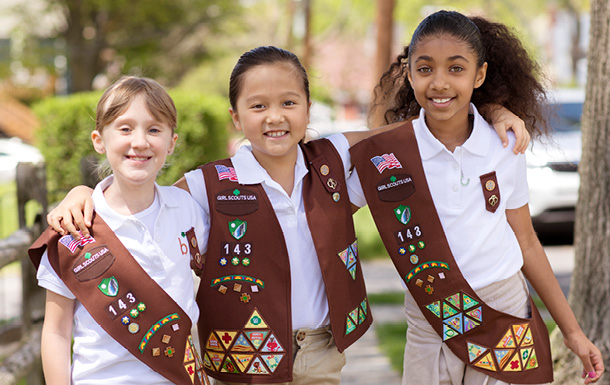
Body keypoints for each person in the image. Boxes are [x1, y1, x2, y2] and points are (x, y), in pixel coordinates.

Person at [46, 46, 529, 385]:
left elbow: (416, 130)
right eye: (257, 106)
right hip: (240, 358)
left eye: (288, 103)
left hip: (322, 352)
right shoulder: (204, 187)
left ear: (307, 109)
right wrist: (84, 190)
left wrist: (489, 111)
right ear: (236, 116)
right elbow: (138, 194)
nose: (274, 116)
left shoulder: (334, 160)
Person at [347, 10, 604, 385]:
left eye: (456, 68)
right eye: (425, 69)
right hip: (430, 319)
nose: (439, 82)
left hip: (503, 312)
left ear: (478, 75)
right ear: (409, 74)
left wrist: (573, 332)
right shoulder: (390, 155)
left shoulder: (504, 144)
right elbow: (327, 204)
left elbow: (527, 241)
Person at [28, 76, 210, 385]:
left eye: (154, 129)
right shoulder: (74, 227)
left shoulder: (188, 209)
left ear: (172, 142)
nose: (140, 142)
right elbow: (56, 331)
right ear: (99, 140)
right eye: (125, 129)